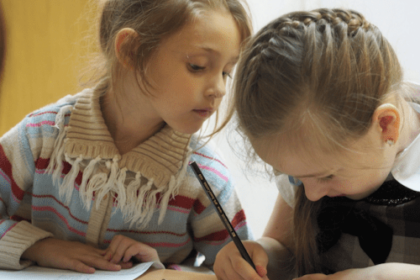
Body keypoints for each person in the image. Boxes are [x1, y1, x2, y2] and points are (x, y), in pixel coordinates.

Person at [0, 0, 253, 274]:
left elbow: (236, 271)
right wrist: (39, 247)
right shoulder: (39, 138)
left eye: (226, 72)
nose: (219, 89)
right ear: (131, 51)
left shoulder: (205, 176)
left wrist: (161, 272)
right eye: (198, 66)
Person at [214, 8, 420, 280]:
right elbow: (285, 248)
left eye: (327, 175)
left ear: (385, 125)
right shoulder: (310, 167)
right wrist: (260, 254)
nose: (310, 195)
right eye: (295, 178)